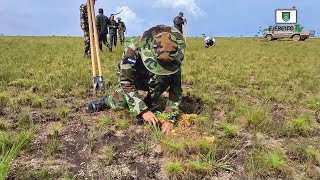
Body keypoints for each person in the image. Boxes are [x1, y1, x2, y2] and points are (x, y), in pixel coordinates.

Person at [86, 25, 186, 133]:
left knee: (163, 79)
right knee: (120, 103)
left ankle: (148, 101)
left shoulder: (173, 53)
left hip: (155, 79)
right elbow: (126, 81)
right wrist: (143, 111)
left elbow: (176, 88)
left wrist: (170, 116)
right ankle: (107, 101)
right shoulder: (133, 49)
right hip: (135, 78)